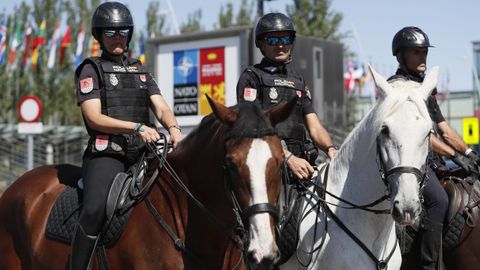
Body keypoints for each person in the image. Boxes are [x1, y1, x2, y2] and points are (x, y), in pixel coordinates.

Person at [71, 2, 183, 269]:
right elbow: (93, 117)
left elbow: (161, 107)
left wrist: (174, 129)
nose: (118, 37)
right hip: (107, 154)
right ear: (99, 35)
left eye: (123, 31)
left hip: (144, 153)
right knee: (95, 209)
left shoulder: (140, 70)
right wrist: (136, 128)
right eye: (110, 32)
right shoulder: (91, 69)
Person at [389, 26, 480, 270]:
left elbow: (444, 130)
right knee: (439, 200)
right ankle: (429, 264)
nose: (422, 57)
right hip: (406, 162)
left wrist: (471, 155)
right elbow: (419, 137)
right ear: (400, 55)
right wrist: (453, 155)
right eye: (416, 52)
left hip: (430, 162)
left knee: (470, 186)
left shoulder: (424, 86)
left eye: (424, 52)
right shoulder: (397, 88)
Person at [236, 12, 336, 182]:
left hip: (302, 167)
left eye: (285, 39)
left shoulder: (298, 81)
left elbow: (315, 127)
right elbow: (253, 128)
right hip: (269, 170)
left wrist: (331, 149)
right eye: (273, 40)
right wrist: (288, 158)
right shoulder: (251, 77)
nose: (280, 45)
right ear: (261, 44)